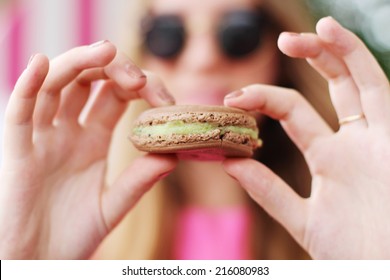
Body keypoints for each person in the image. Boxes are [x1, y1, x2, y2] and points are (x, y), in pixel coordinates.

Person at [0, 0, 389, 260]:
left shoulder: (353, 222)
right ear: (143, 52)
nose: (202, 60)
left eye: (238, 33)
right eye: (168, 34)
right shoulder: (90, 239)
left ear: (279, 54)